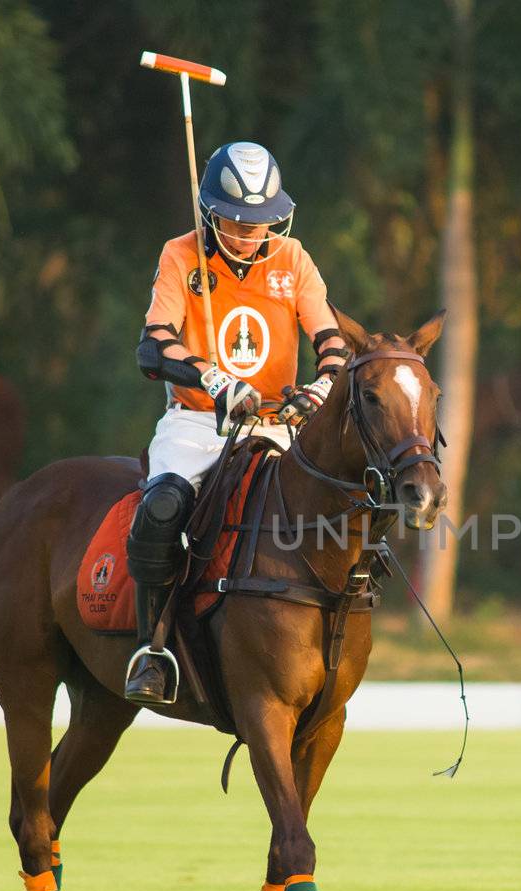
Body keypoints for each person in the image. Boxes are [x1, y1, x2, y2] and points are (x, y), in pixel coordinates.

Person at [125, 141, 347, 704]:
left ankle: (342, 633)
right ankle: (154, 649)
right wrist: (216, 379)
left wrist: (320, 389)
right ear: (210, 214)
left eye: (261, 223)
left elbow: (332, 343)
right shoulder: (181, 256)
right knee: (163, 508)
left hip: (276, 426)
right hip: (199, 423)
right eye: (237, 223)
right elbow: (153, 348)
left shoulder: (293, 259)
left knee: (342, 509)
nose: (251, 235)